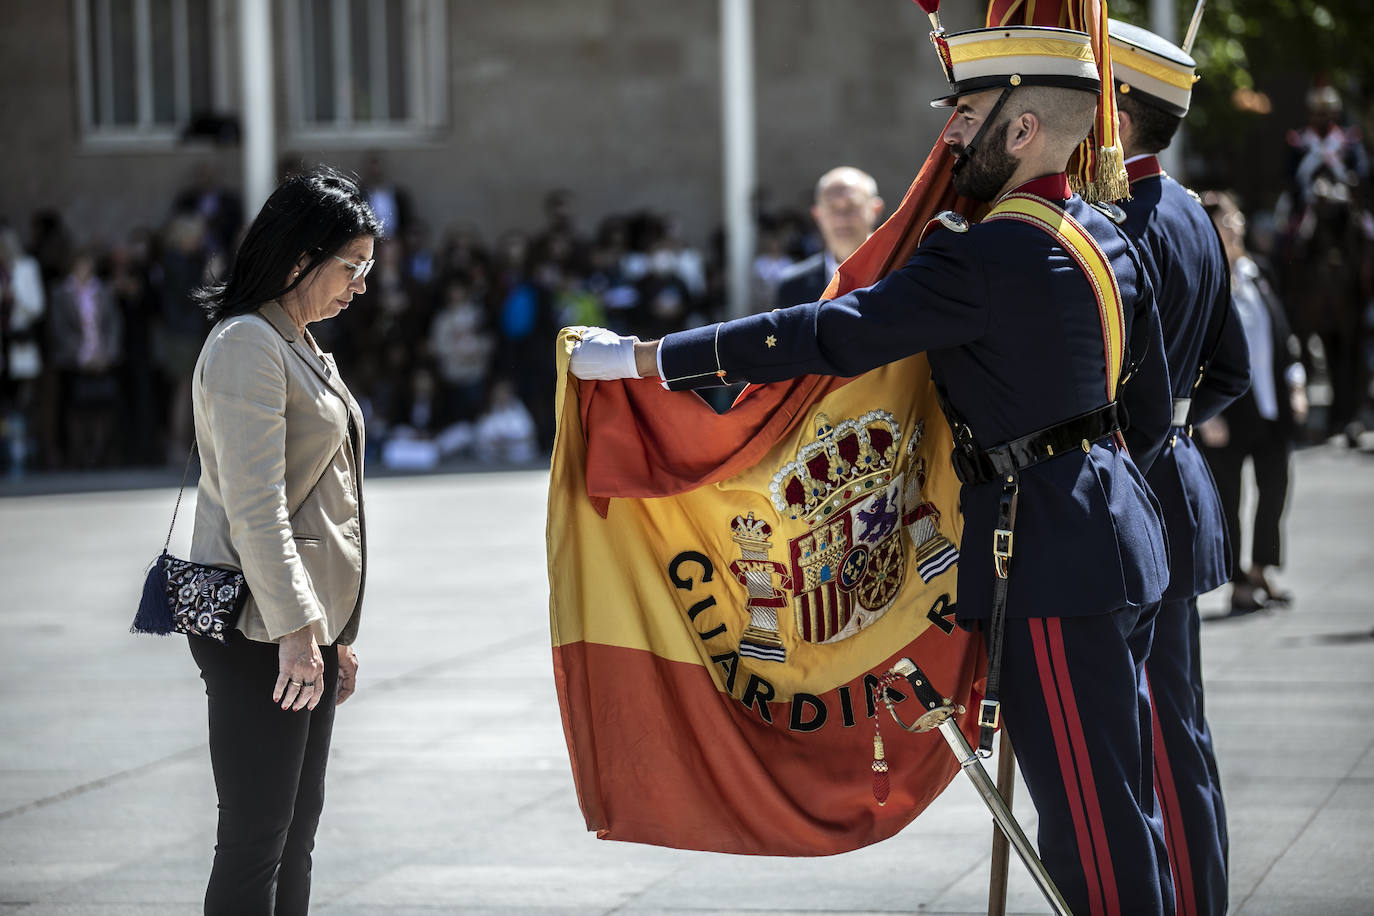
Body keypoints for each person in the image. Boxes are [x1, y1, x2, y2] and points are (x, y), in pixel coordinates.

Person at [569, 25, 1177, 915]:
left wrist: (651, 360)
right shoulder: (1103, 236)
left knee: (1088, 814)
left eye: (966, 117)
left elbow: (828, 334)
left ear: (1020, 131)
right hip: (1118, 534)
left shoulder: (983, 253)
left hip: (1046, 552)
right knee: (1122, 799)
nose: (950, 140)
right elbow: (1149, 410)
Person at [186, 166, 381, 915]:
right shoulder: (247, 344)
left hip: (300, 625)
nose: (360, 285)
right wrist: (301, 630)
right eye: (350, 267)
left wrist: (332, 632)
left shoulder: (294, 339)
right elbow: (256, 507)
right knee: (257, 834)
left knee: (294, 832)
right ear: (301, 257)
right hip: (257, 625)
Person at [1109, 21, 1253, 915]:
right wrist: (1176, 427)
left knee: (1154, 733)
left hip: (1135, 501)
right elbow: (1229, 368)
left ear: (1120, 115)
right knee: (1179, 729)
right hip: (1176, 481)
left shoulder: (1117, 224)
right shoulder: (1194, 211)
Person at [1199, 191, 1309, 613]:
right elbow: (1196, 351)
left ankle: (1263, 567)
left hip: (1271, 405)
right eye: (1226, 222)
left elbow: (1284, 336)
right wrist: (1206, 412)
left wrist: (1296, 383)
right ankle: (1238, 582)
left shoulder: (1258, 272)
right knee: (1229, 498)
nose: (1235, 228)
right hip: (1227, 412)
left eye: (1235, 219)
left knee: (1276, 486)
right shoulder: (1207, 282)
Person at [775, 167, 885, 307]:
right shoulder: (792, 286)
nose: (842, 219)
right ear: (817, 214)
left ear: (875, 210)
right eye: (832, 208)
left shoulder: (900, 275)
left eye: (852, 206)